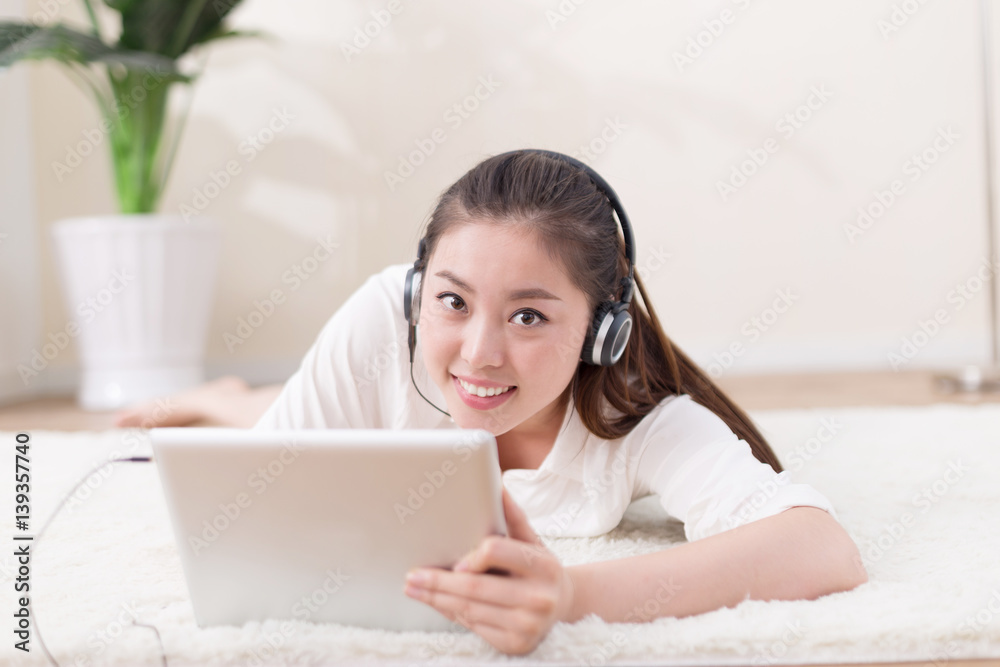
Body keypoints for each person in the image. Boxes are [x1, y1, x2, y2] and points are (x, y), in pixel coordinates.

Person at [120, 150, 867, 656]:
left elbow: (821, 548)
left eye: (529, 316)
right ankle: (230, 399)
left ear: (600, 332)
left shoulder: (637, 416)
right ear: (419, 293)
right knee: (287, 421)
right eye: (452, 300)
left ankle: (233, 396)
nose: (479, 351)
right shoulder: (386, 320)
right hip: (362, 377)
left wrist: (575, 592)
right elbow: (264, 487)